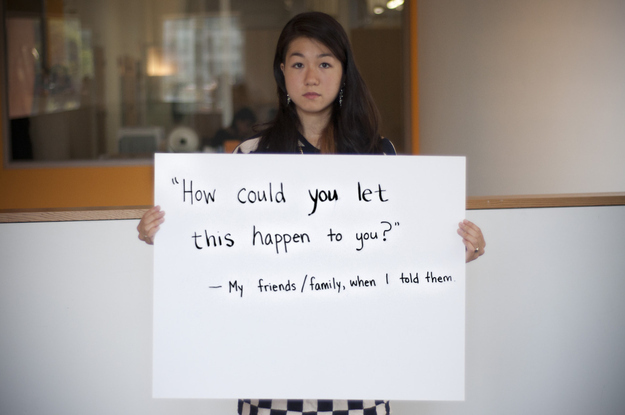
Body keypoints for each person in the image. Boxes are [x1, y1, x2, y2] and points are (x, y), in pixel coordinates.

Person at [138, 11, 485, 415]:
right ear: (282, 72)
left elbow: (400, 254)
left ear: (343, 73)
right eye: (298, 64)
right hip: (271, 375)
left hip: (360, 375)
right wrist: (167, 236)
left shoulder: (378, 156)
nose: (311, 77)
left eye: (324, 64)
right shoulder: (251, 157)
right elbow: (221, 251)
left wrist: (454, 253)